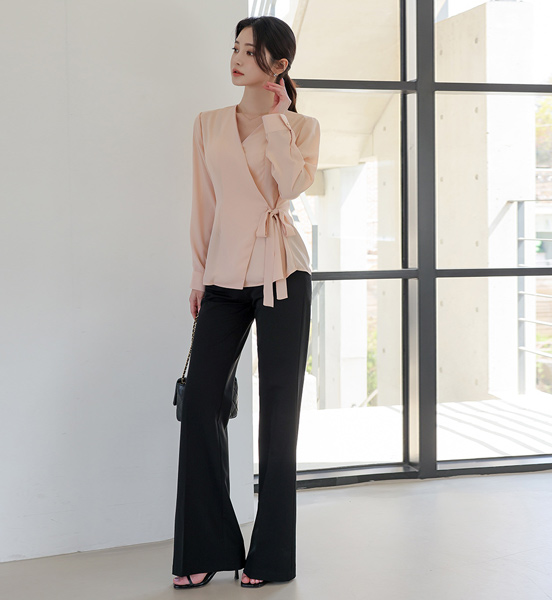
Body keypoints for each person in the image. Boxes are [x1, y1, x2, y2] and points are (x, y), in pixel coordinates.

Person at [171, 15, 321, 590]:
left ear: (277, 66)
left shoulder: (301, 126)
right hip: (223, 276)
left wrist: (278, 120)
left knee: (280, 418)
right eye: (234, 48)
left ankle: (271, 558)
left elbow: (291, 187)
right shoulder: (208, 124)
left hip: (284, 273)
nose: (235, 58)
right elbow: (203, 205)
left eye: (249, 51)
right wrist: (198, 276)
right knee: (199, 405)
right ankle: (205, 547)